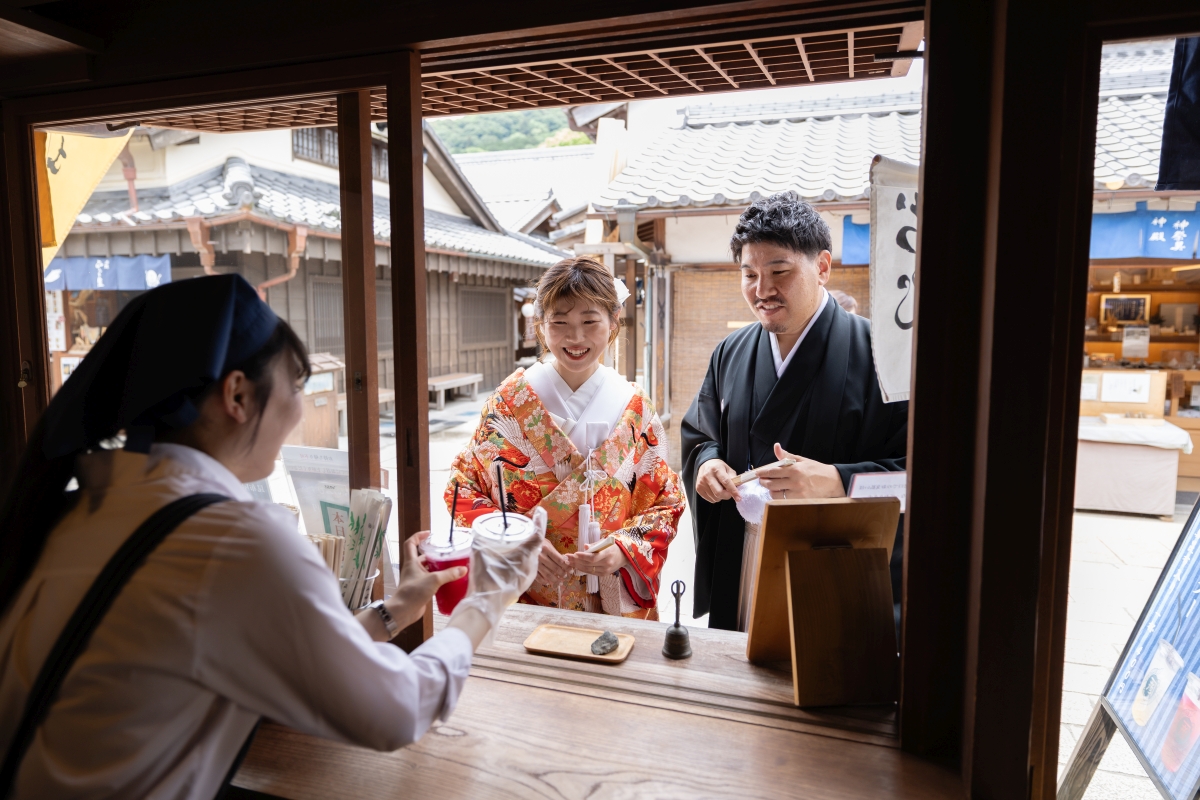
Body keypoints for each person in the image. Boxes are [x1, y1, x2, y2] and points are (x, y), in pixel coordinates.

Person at [0, 274, 541, 799]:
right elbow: (397, 709)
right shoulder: (233, 541)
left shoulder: (85, 507)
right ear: (237, 394)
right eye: (296, 386)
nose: (299, 407)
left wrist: (395, 608)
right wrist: (487, 600)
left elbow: (270, 647)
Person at [681, 192, 908, 631]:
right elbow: (701, 432)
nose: (762, 290)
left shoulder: (883, 355)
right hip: (744, 554)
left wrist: (838, 481)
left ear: (822, 267)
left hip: (833, 565)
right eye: (749, 274)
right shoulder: (731, 351)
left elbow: (917, 473)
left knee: (821, 661)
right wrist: (707, 463)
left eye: (779, 272)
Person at [447, 256, 684, 619]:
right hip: (522, 594)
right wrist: (516, 543)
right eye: (559, 322)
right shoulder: (509, 403)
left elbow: (665, 501)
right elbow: (462, 489)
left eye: (590, 321)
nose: (575, 338)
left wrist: (624, 550)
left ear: (613, 321)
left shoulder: (635, 408)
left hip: (606, 598)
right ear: (540, 325)